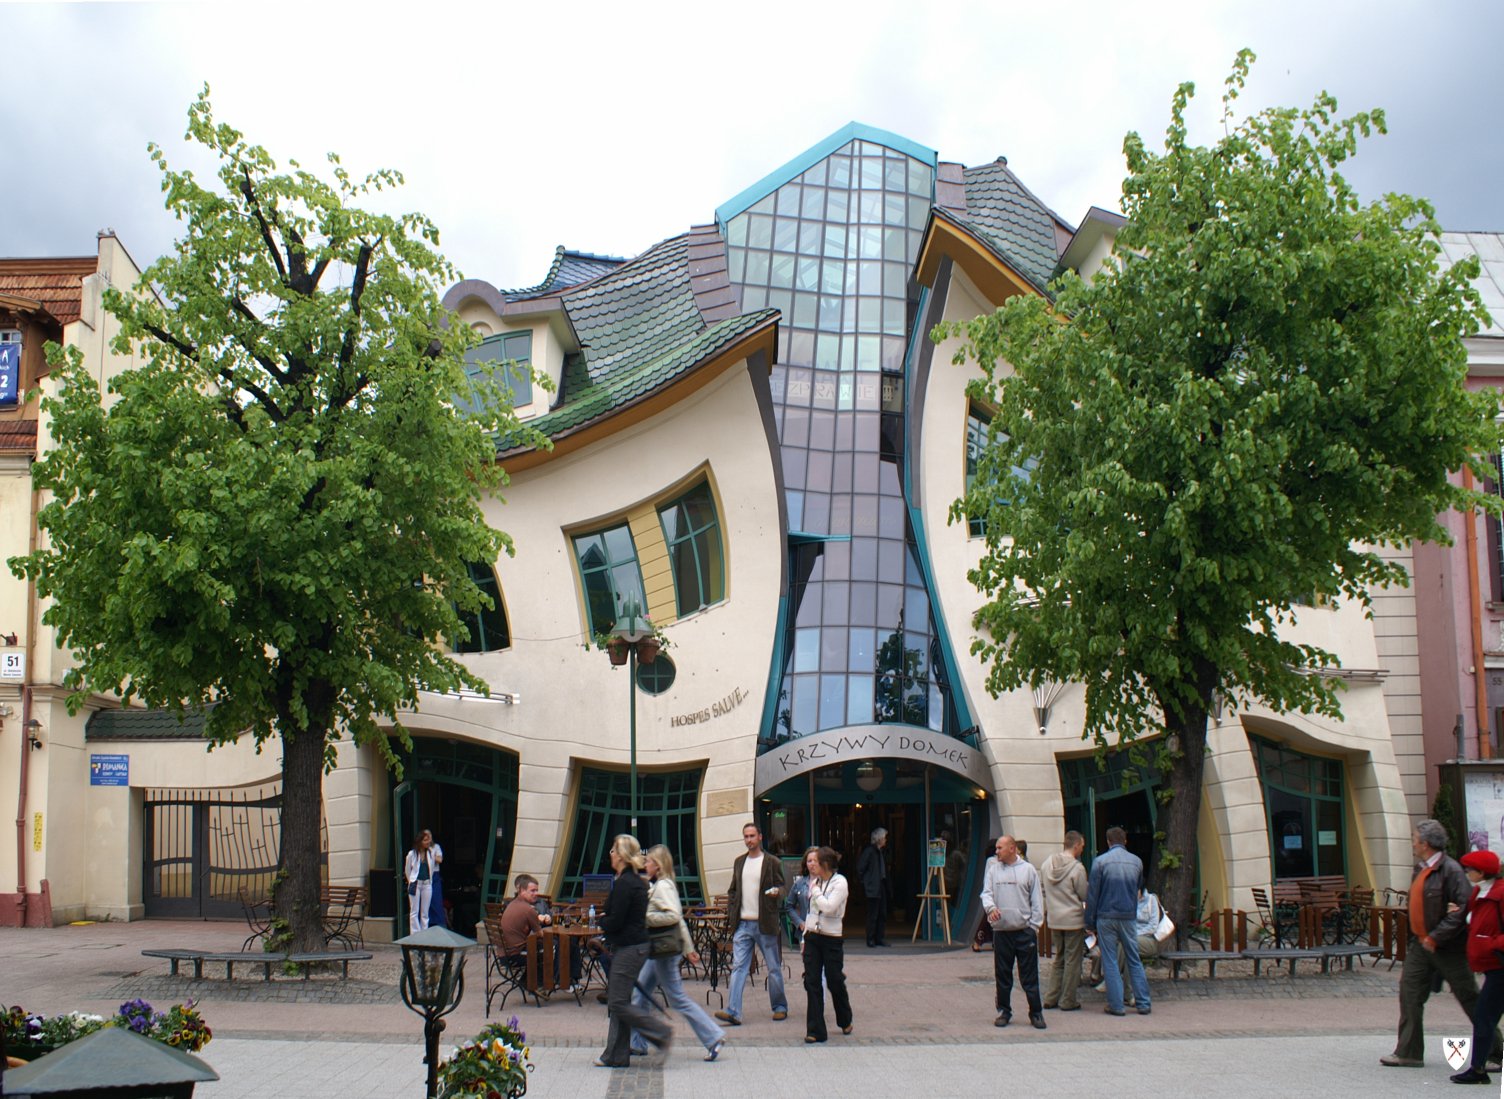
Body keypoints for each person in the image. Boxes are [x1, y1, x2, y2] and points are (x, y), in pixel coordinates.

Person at [1382, 818, 1502, 1069]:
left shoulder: (1452, 870)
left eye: (1415, 839)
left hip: (1447, 947)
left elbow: (1461, 910)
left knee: (1468, 996)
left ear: (1425, 843)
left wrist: (1437, 936)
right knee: (1410, 993)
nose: (1413, 843)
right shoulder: (1421, 868)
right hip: (1420, 943)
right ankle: (1409, 1051)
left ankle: (1495, 1052)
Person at [628, 845, 727, 1062]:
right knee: (640, 993)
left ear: (658, 865)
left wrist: (645, 918)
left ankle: (713, 1037)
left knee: (677, 998)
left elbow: (674, 916)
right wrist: (689, 948)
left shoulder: (663, 886)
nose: (645, 865)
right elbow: (679, 919)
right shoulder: (660, 885)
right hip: (659, 951)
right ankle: (637, 1043)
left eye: (649, 862)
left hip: (664, 951)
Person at [594, 835, 671, 1068]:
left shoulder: (626, 883)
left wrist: (602, 922)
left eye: (613, 850)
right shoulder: (634, 880)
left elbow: (616, 920)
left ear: (622, 855)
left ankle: (659, 1032)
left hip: (629, 947)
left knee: (617, 1002)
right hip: (635, 946)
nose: (610, 854)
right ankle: (616, 1056)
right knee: (620, 1001)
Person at [715, 822, 790, 1027]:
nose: (749, 840)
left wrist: (777, 893)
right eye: (746, 837)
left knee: (773, 967)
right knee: (739, 966)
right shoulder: (739, 862)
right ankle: (734, 1011)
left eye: (752, 836)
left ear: (760, 837)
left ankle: (780, 1006)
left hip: (765, 923)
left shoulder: (772, 862)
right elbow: (733, 890)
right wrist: (733, 911)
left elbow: (783, 887)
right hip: (743, 924)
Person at [980, 834, 1045, 1030]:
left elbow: (1037, 900)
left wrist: (1034, 927)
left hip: (1023, 930)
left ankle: (1036, 1012)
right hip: (1002, 931)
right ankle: (1004, 1010)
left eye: (1000, 848)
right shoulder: (993, 870)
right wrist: (991, 908)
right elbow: (987, 893)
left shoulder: (1028, 870)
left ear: (1012, 848)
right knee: (1003, 974)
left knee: (1029, 974)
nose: (996, 851)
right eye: (996, 848)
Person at [1085, 826, 1151, 1017]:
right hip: (1129, 917)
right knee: (1134, 959)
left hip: (1106, 916)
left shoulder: (1100, 862)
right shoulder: (1136, 862)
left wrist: (1090, 922)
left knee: (1111, 960)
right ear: (1125, 841)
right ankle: (1143, 1002)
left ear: (1108, 841)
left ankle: (1116, 1005)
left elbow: (1093, 895)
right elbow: (1138, 889)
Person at [1453, 850, 1504, 1084]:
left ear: (1481, 872)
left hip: (1500, 963)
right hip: (1493, 964)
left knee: (1484, 1016)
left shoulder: (1500, 894)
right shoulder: (1480, 892)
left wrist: (1489, 944)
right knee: (1485, 1016)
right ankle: (1478, 1069)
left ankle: (1479, 1070)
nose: (1466, 873)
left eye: (1469, 869)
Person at [801, 845, 853, 1043]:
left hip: (831, 937)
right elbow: (811, 911)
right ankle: (815, 1030)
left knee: (834, 980)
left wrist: (815, 892)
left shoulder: (839, 883)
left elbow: (830, 907)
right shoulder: (816, 882)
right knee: (812, 981)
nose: (813, 866)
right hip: (813, 935)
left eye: (817, 862)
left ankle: (844, 1017)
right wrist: (805, 936)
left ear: (826, 864)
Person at [500, 874, 581, 992]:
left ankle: (567, 980)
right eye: (532, 891)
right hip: (518, 954)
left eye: (537, 890)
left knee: (568, 942)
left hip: (507, 953)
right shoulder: (528, 909)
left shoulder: (513, 904)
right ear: (521, 890)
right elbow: (540, 935)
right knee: (562, 943)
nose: (536, 893)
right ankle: (562, 981)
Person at [1040, 830, 1088, 1012]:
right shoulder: (1077, 868)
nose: (1082, 849)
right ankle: (1067, 1000)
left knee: (1058, 957)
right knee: (1072, 960)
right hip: (1073, 919)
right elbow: (1083, 894)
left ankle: (1051, 997)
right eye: (1082, 846)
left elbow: (1043, 889)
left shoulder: (1046, 865)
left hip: (1054, 918)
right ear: (1076, 845)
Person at [1118, 888, 1164, 1007]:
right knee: (1130, 955)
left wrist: (1134, 935)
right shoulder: (1128, 900)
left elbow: (1153, 926)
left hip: (1149, 940)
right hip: (1132, 941)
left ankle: (1112, 977)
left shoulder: (1151, 900)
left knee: (1127, 944)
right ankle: (1129, 995)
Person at [404, 830, 442, 935]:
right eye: (425, 840)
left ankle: (424, 934)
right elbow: (407, 870)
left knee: (425, 912)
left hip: (427, 884)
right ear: (420, 841)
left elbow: (437, 861)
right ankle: (415, 935)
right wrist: (411, 880)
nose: (427, 842)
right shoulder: (412, 854)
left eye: (428, 840)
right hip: (416, 883)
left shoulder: (430, 853)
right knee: (414, 911)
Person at [857, 827, 890, 947]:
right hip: (872, 886)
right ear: (880, 839)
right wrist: (866, 882)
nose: (886, 840)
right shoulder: (869, 852)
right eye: (884, 837)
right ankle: (870, 939)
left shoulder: (882, 852)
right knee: (873, 914)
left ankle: (879, 938)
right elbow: (860, 868)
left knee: (882, 913)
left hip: (881, 885)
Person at [785, 845, 820, 947]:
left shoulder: (828, 882)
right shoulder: (799, 883)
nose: (812, 864)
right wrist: (799, 922)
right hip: (805, 932)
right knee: (808, 961)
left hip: (824, 932)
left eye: (815, 860)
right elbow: (789, 906)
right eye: (809, 861)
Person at [972, 836, 1000, 952]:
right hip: (992, 894)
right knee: (987, 918)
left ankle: (994, 941)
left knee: (993, 918)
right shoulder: (992, 861)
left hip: (997, 893)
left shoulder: (992, 860)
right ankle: (977, 941)